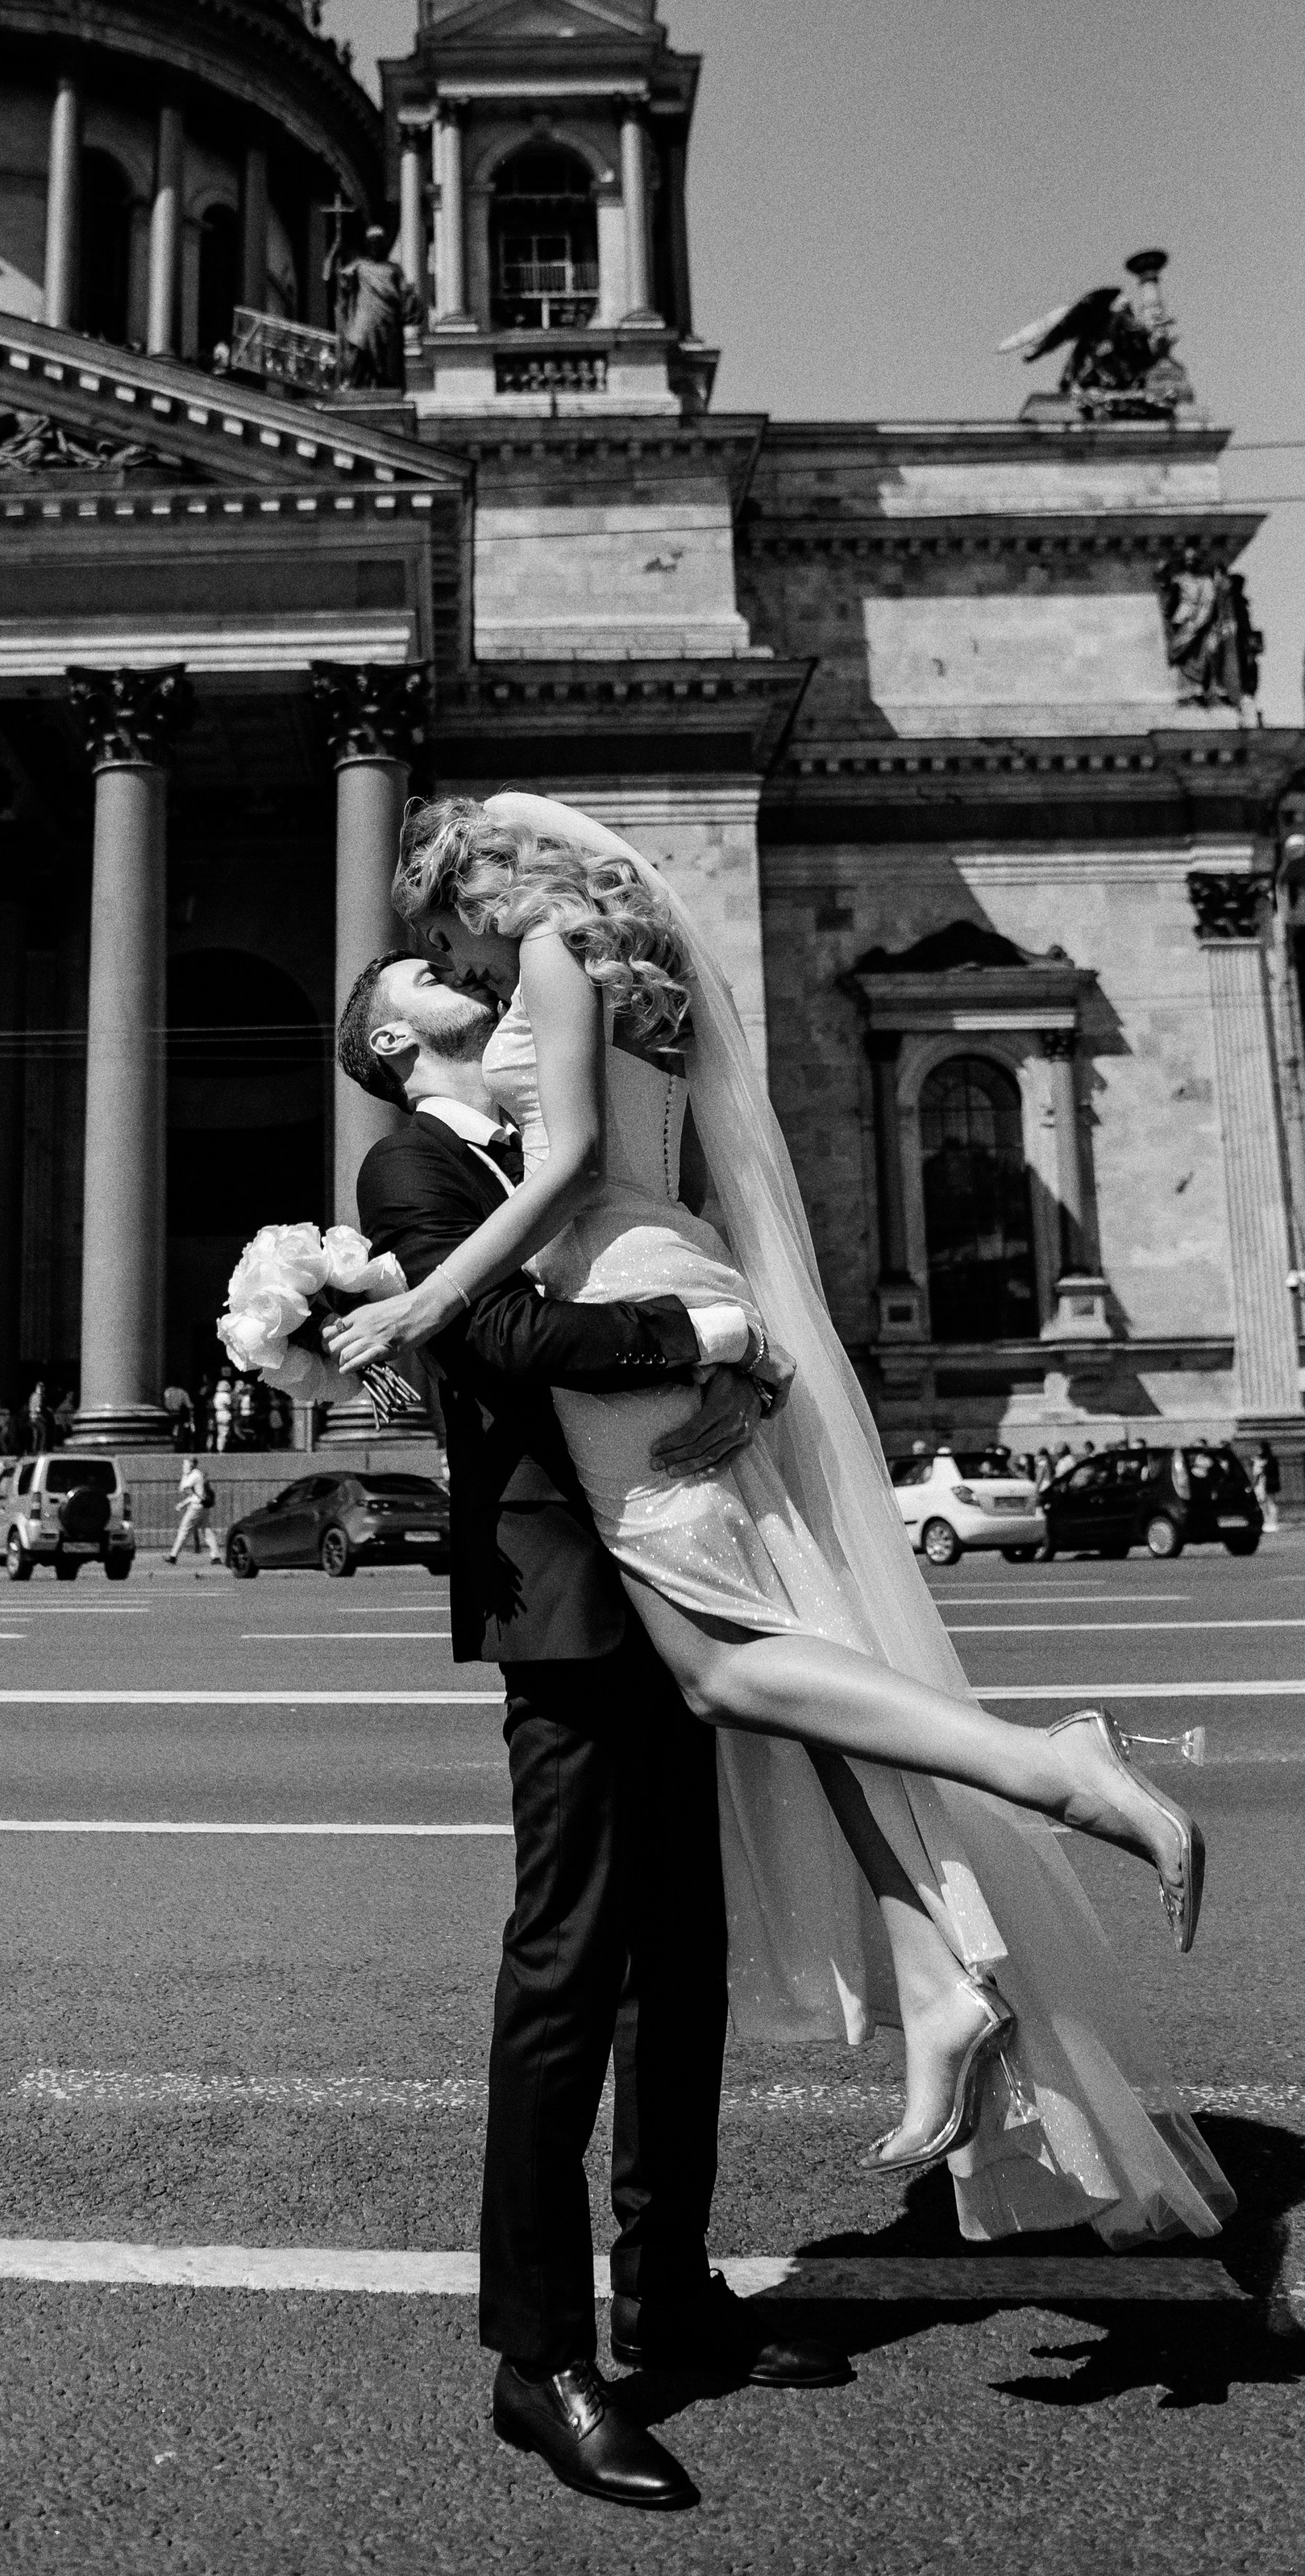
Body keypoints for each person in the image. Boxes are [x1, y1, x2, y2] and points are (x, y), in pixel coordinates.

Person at [335, 793, 1232, 2265]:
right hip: (683, 1288)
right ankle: (937, 1968)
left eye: (445, 938)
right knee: (804, 1644)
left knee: (736, 1671)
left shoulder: (552, 960)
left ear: (471, 885)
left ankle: (1047, 1769)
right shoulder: (633, 972)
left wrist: (430, 1306)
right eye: (441, 966)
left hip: (636, 1304)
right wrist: (739, 1340)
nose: (464, 966)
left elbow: (560, 1181)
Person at [304, 948, 837, 2511]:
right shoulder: (405, 1158)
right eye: (422, 973)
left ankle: (665, 2282)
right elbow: (507, 1346)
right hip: (564, 1592)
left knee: (680, 1959)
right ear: (394, 1037)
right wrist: (703, 1342)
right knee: (564, 1968)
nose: (462, 970)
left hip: (671, 1557)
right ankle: (534, 2360)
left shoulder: (554, 1134)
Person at [167, 1454, 216, 1564]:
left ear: (191, 1465)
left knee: (184, 1530)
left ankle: (173, 1556)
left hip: (196, 1508)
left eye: (185, 1464)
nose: (183, 1466)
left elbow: (183, 1488)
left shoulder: (194, 1475)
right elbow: (195, 1494)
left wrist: (184, 1474)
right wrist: (183, 1504)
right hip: (203, 1507)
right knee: (207, 1531)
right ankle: (216, 1556)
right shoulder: (198, 1474)